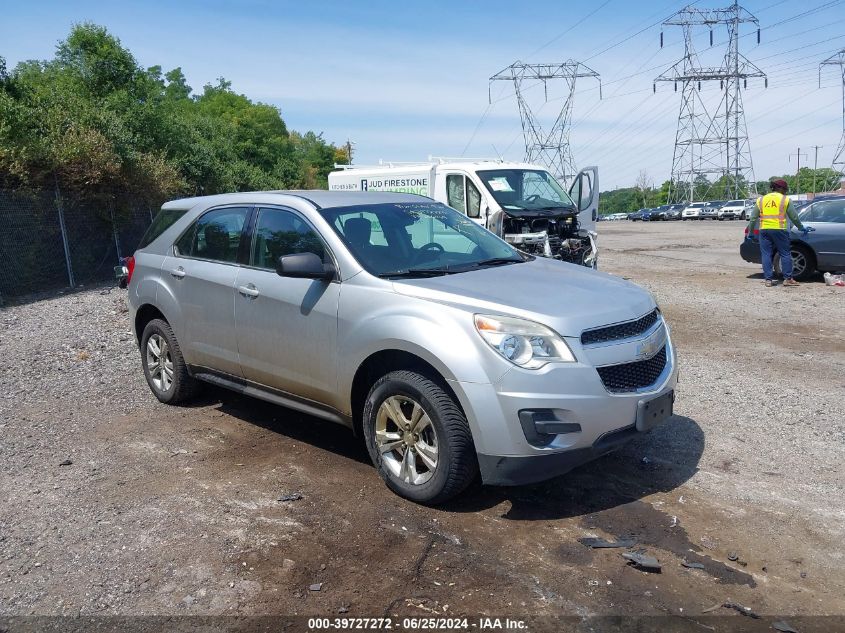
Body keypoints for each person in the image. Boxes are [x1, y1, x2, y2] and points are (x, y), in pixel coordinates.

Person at [747, 179, 813, 287]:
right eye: (785, 189)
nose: (785, 191)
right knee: (785, 253)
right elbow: (794, 217)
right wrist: (801, 227)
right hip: (780, 230)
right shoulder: (785, 200)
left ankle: (768, 280)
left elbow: (753, 218)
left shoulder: (761, 200)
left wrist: (750, 232)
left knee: (766, 254)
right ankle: (787, 279)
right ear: (780, 188)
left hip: (764, 230)